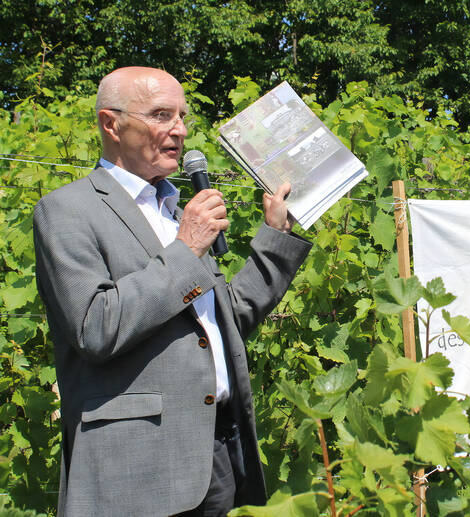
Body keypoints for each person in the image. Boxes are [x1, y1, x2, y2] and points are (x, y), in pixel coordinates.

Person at [33, 66, 311, 516]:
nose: (179, 131)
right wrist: (186, 248)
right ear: (111, 124)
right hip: (136, 469)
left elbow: (228, 318)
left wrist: (275, 236)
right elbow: (95, 327)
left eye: (182, 116)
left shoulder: (175, 212)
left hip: (217, 458)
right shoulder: (67, 210)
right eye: (162, 115)